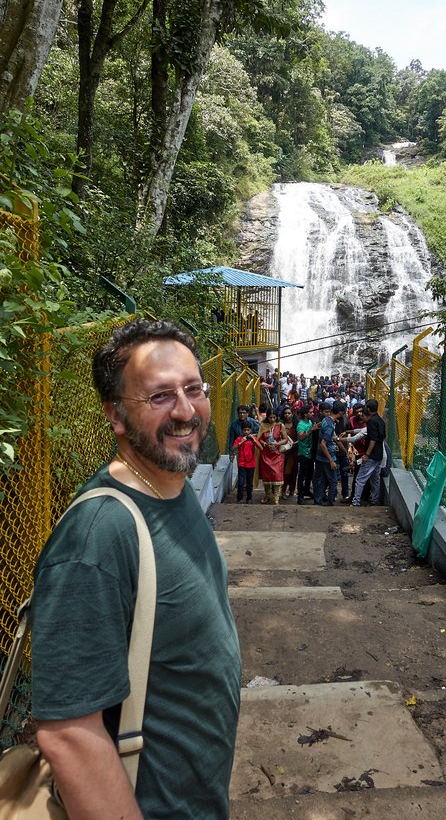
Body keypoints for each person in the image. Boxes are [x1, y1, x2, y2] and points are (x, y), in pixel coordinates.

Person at [30, 319, 241, 820]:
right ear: (116, 416)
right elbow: (68, 734)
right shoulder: (97, 536)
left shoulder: (173, 483)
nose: (186, 410)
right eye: (160, 397)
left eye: (193, 389)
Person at [351, 398, 386, 507]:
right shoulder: (380, 420)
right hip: (379, 454)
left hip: (372, 455)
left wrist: (367, 454)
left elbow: (373, 439)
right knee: (375, 478)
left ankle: (356, 501)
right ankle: (374, 500)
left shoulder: (371, 421)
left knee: (360, 479)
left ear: (368, 409)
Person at [313, 400, 345, 507]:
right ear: (340, 412)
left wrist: (343, 450)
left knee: (321, 480)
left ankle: (318, 499)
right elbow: (323, 444)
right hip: (327, 457)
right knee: (333, 481)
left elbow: (334, 438)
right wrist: (331, 460)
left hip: (320, 456)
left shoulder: (326, 420)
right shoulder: (330, 425)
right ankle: (330, 502)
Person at [257, 407, 287, 504]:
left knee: (277, 475)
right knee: (267, 476)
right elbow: (260, 438)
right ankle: (267, 495)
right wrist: (264, 444)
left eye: (274, 417)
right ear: (267, 417)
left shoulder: (280, 425)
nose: (272, 420)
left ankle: (276, 498)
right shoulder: (263, 425)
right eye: (270, 417)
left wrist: (277, 444)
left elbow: (285, 439)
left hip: (277, 454)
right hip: (266, 453)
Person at [232, 420, 262, 504]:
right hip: (242, 463)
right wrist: (241, 442)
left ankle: (249, 498)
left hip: (251, 464)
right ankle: (239, 498)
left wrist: (255, 441)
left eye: (248, 430)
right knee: (241, 482)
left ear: (251, 430)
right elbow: (233, 448)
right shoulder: (239, 439)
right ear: (242, 430)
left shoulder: (253, 439)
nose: (246, 432)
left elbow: (261, 448)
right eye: (244, 430)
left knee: (249, 482)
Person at [295, 406, 317, 503]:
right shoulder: (300, 425)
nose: (312, 414)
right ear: (305, 414)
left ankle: (307, 490)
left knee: (310, 474)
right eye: (311, 412)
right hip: (303, 453)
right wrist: (311, 430)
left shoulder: (310, 422)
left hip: (310, 452)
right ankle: (300, 496)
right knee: (302, 475)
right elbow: (301, 437)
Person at [279, 404, 298, 497]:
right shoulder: (280, 424)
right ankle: (283, 490)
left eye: (289, 413)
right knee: (283, 471)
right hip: (282, 451)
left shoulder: (296, 425)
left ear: (292, 414)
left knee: (291, 472)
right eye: (285, 413)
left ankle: (291, 490)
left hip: (293, 452)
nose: (287, 415)